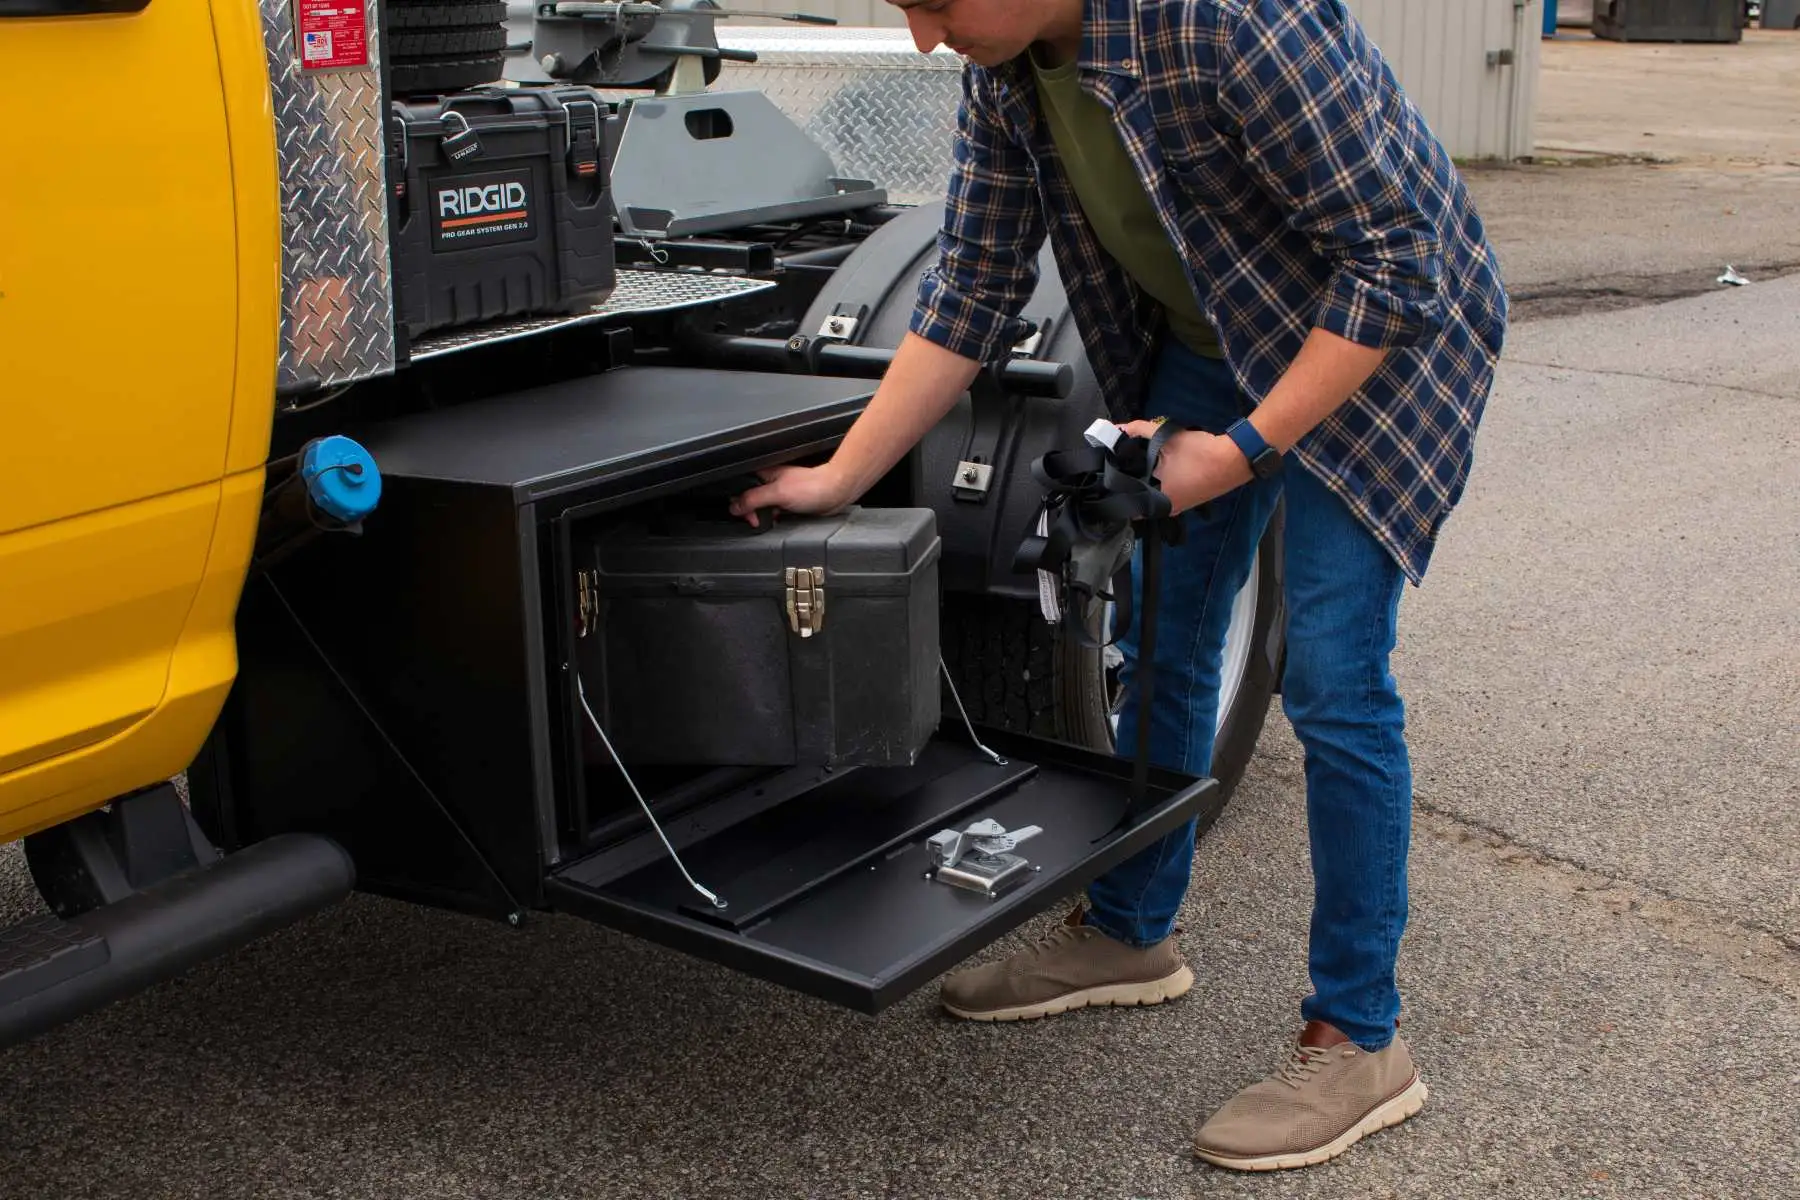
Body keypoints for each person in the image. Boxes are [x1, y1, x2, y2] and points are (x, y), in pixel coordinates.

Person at [729, 0, 1508, 1172]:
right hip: (1219, 336)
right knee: (1165, 635)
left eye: (937, 1)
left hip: (1372, 344)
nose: (925, 38)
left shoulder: (1232, 21)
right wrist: (840, 475)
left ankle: (1359, 1037)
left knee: (1336, 679)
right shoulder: (1008, 71)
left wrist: (1237, 453)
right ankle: (1131, 933)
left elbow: (1402, 266)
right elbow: (972, 289)